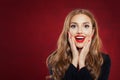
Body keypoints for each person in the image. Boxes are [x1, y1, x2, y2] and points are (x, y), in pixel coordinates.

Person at [46, 9, 111, 80]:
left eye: (86, 26)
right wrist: (74, 60)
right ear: (67, 31)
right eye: (73, 26)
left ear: (92, 31)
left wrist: (81, 62)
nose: (79, 31)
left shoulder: (103, 60)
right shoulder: (55, 60)